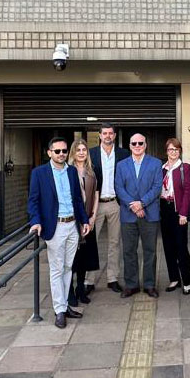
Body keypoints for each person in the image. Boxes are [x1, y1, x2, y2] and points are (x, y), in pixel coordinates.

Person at [27, 136, 91, 328]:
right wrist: (36, 221)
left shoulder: (71, 171)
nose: (62, 154)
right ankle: (59, 311)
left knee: (68, 268)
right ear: (49, 153)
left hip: (72, 226)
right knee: (57, 269)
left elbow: (78, 199)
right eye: (57, 151)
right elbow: (33, 200)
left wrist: (84, 221)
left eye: (64, 151)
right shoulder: (39, 173)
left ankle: (65, 306)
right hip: (54, 227)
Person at [115, 132, 163, 297]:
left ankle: (150, 285)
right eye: (134, 143)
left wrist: (141, 203)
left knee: (150, 250)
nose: (137, 146)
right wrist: (133, 206)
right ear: (129, 146)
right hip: (128, 215)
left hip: (150, 214)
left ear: (145, 145)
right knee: (128, 250)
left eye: (140, 143)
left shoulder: (156, 163)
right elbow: (119, 188)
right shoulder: (121, 165)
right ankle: (131, 284)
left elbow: (157, 188)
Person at [90, 123, 130, 293]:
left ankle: (112, 278)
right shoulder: (90, 154)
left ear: (114, 136)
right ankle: (88, 280)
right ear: (99, 135)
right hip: (95, 204)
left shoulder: (123, 154)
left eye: (110, 133)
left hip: (115, 203)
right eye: (104, 133)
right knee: (91, 242)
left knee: (114, 243)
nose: (107, 136)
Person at [159, 137, 190, 294]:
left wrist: (183, 213)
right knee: (168, 246)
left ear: (180, 151)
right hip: (164, 209)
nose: (173, 152)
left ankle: (186, 280)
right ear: (166, 151)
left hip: (178, 211)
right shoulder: (162, 168)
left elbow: (188, 192)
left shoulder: (185, 168)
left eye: (176, 149)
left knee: (181, 247)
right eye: (170, 149)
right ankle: (174, 278)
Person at [68, 138, 99, 306]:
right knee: (72, 259)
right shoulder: (68, 171)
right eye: (78, 150)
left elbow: (95, 195)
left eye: (84, 150)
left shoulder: (92, 171)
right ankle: (70, 292)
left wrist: (92, 217)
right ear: (73, 152)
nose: (81, 152)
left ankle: (81, 289)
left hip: (88, 220)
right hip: (72, 221)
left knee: (83, 258)